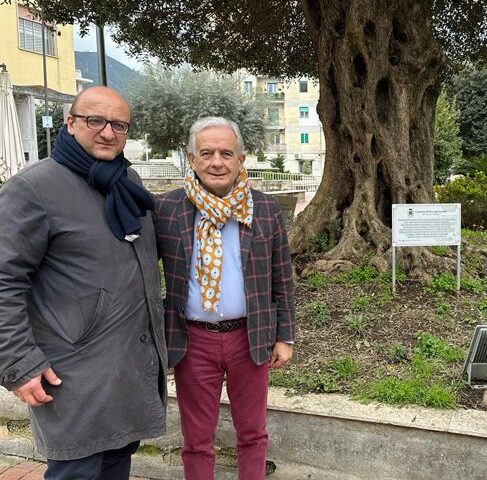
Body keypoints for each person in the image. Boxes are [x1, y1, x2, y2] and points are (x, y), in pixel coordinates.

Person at [0, 86, 166, 479]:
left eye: (119, 125)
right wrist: (19, 364)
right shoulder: (33, 188)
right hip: (72, 374)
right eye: (96, 121)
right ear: (71, 123)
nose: (108, 132)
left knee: (114, 466)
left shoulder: (126, 180)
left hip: (127, 366)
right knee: (76, 470)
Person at [154, 116, 295, 479]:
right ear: (192, 158)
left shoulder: (264, 210)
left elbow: (282, 278)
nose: (217, 161)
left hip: (251, 337)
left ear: (241, 159)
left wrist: (285, 336)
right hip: (192, 340)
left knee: (252, 433)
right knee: (197, 439)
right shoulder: (167, 209)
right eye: (207, 153)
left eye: (226, 153)